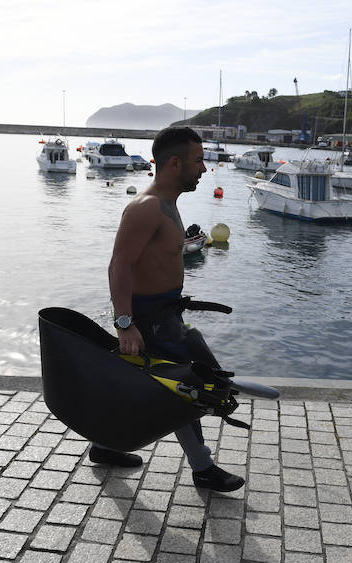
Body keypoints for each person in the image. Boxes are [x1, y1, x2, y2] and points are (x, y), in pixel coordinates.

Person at [101, 126, 244, 493]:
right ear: (175, 163)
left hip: (166, 316)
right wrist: (125, 324)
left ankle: (103, 446)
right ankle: (202, 467)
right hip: (148, 320)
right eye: (198, 161)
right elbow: (119, 265)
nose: (203, 169)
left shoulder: (169, 205)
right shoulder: (146, 208)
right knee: (187, 390)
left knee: (151, 387)